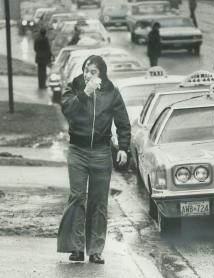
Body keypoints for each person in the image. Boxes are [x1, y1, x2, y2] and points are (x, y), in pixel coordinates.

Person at [57, 55, 131, 264]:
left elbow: (123, 122)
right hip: (78, 150)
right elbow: (67, 110)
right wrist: (85, 93)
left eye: (94, 71)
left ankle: (95, 249)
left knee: (98, 201)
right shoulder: (75, 87)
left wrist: (123, 148)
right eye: (86, 70)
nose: (89, 75)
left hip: (101, 151)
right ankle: (76, 248)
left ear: (102, 74)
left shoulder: (112, 92)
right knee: (77, 197)